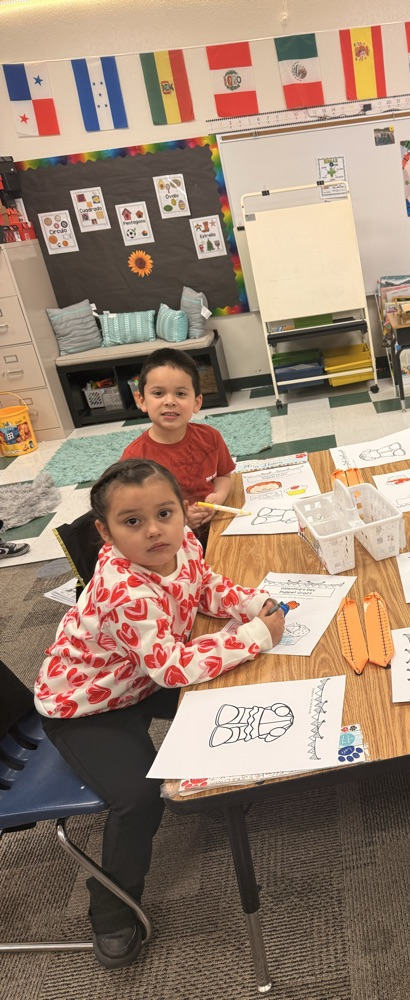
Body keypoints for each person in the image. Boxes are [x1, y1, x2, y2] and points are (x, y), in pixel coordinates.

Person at [34, 458, 285, 969]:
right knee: (140, 798)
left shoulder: (180, 542)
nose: (154, 530)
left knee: (232, 691)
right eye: (133, 521)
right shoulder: (122, 587)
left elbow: (204, 585)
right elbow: (172, 668)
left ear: (183, 512)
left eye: (164, 514)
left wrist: (252, 604)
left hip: (135, 679)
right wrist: (254, 635)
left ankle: (222, 788)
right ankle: (112, 910)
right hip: (84, 707)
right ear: (106, 533)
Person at [121, 347, 233, 543]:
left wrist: (219, 497)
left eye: (180, 394)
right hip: (168, 542)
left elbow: (224, 475)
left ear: (197, 402)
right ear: (141, 400)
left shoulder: (210, 437)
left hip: (216, 528)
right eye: (158, 393)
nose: (170, 401)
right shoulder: (134, 458)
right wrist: (179, 520)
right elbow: (133, 514)